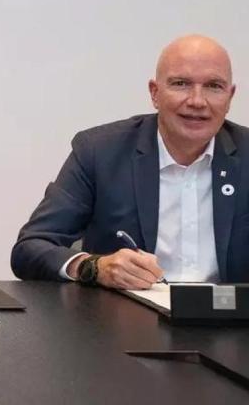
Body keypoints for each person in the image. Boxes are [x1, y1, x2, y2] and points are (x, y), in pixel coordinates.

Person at [12, 34, 249, 288]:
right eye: (181, 84)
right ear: (155, 93)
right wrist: (94, 267)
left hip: (231, 321)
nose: (197, 101)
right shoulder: (100, 152)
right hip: (124, 320)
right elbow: (30, 248)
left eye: (214, 86)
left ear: (230, 96)